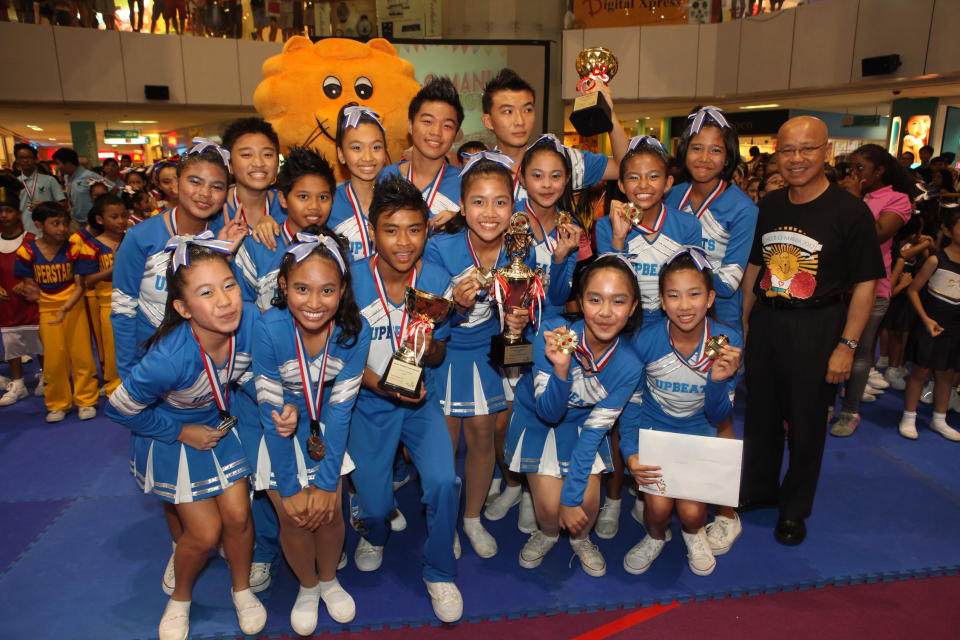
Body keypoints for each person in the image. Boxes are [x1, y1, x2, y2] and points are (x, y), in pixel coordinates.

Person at [106, 239, 267, 640]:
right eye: (206, 292)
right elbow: (117, 409)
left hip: (217, 428)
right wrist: (180, 431)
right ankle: (180, 598)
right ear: (182, 308)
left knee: (239, 516)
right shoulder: (167, 359)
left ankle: (242, 588)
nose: (225, 301)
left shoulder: (248, 322)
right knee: (205, 534)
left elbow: (245, 372)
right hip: (172, 437)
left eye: (230, 285)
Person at [740, 116, 885, 546]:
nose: (797, 158)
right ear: (777, 154)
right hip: (768, 319)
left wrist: (847, 345)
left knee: (806, 425)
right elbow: (755, 265)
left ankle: (795, 508)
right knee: (761, 416)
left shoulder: (850, 211)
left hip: (820, 325)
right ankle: (759, 490)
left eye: (807, 149)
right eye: (788, 150)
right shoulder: (770, 205)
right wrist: (745, 319)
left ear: (826, 152)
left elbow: (865, 284)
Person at [347, 175, 462, 622]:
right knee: (374, 507)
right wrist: (383, 385)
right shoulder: (351, 280)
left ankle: (439, 570)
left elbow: (438, 353)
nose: (403, 241)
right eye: (391, 229)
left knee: (442, 481)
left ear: (426, 230)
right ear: (373, 231)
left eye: (414, 229)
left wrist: (431, 347)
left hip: (420, 402)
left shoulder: (435, 278)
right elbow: (339, 358)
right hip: (368, 402)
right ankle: (374, 534)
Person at [253, 229, 369, 633]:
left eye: (327, 291)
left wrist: (322, 483)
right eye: (302, 288)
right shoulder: (268, 328)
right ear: (284, 286)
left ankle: (329, 579)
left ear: (342, 290)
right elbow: (271, 414)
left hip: (326, 433)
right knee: (293, 518)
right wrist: (289, 486)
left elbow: (340, 411)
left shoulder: (356, 332)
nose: (314, 303)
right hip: (278, 435)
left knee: (331, 513)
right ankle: (306, 586)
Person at [420, 153, 532, 559]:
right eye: (479, 202)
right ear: (462, 207)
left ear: (513, 205)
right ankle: (444, 521)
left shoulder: (521, 251)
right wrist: (456, 305)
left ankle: (471, 517)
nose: (490, 213)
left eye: (500, 202)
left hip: (488, 356)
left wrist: (518, 322)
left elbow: (524, 310)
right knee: (444, 445)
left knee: (484, 437)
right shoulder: (439, 249)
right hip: (446, 355)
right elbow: (426, 323)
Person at [504, 254, 644, 577]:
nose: (606, 312)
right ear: (580, 301)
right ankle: (548, 532)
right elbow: (548, 413)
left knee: (586, 506)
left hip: (583, 426)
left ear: (633, 306)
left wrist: (572, 499)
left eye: (618, 301)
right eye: (595, 299)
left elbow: (596, 432)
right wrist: (562, 370)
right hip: (541, 421)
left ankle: (581, 539)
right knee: (550, 512)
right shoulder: (553, 334)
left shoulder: (629, 365)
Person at [663, 105, 757, 553]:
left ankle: (726, 512)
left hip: (717, 322)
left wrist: (680, 274)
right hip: (672, 318)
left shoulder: (741, 205)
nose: (704, 157)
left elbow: (732, 277)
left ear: (728, 155)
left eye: (715, 150)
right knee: (669, 406)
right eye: (696, 147)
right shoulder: (672, 194)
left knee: (718, 414)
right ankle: (672, 492)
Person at [620, 248, 742, 576]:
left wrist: (717, 382)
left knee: (691, 514)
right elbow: (631, 406)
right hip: (656, 432)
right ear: (660, 300)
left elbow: (718, 417)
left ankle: (694, 534)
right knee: (657, 511)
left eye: (694, 294)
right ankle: (655, 536)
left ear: (711, 297)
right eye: (673, 295)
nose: (684, 306)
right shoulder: (645, 340)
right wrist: (631, 453)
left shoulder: (727, 340)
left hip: (699, 432)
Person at [485, 134, 583, 533]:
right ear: (521, 176)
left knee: (539, 413)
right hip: (509, 329)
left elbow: (561, 295)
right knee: (503, 418)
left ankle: (529, 490)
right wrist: (511, 315)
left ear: (566, 180)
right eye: (537, 174)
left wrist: (561, 259)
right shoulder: (508, 217)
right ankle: (513, 482)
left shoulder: (571, 227)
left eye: (556, 176)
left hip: (550, 335)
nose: (546, 183)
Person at [831, 144, 916, 436]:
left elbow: (877, 233)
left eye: (860, 169)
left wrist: (854, 199)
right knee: (828, 349)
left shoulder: (898, 199)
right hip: (836, 286)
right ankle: (826, 403)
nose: (853, 174)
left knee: (857, 351)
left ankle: (850, 411)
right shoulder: (843, 193)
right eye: (850, 168)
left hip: (872, 290)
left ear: (879, 171)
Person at [595, 136, 703, 322]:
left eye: (653, 176)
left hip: (672, 322)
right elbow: (609, 287)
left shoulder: (688, 225)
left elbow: (692, 285)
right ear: (621, 184)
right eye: (633, 177)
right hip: (623, 323)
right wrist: (619, 238)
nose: (643, 185)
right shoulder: (606, 226)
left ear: (668, 183)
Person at [480, 67, 627, 202]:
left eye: (527, 110)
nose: (520, 121)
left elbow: (623, 168)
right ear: (488, 121)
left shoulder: (563, 159)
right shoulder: (478, 174)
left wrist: (608, 112)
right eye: (508, 112)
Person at [14, 202, 98, 422]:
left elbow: (81, 284)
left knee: (82, 355)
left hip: (73, 306)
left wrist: (65, 307)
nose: (62, 228)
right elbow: (26, 281)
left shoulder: (74, 248)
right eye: (55, 223)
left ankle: (86, 399)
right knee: (53, 359)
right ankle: (57, 402)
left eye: (64, 223)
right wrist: (29, 290)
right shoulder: (27, 250)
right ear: (39, 225)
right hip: (47, 309)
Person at [898, 208, 960, 442]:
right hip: (930, 324)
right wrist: (926, 319)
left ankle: (939, 419)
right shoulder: (936, 259)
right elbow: (913, 290)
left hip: (955, 328)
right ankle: (909, 415)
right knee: (920, 372)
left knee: (947, 374)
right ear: (947, 230)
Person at [380, 77, 463, 229]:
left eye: (447, 125)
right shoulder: (384, 179)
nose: (436, 132)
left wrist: (462, 222)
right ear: (410, 126)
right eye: (427, 121)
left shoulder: (467, 184)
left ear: (455, 134)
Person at [76, 194, 128, 397]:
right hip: (107, 302)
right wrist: (114, 268)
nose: (120, 221)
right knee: (111, 346)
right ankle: (114, 387)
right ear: (100, 220)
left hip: (137, 299)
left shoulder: (132, 239)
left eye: (123, 215)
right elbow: (87, 281)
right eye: (114, 217)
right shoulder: (91, 246)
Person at [0, 176, 43, 405]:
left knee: (38, 340)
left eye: (8, 210)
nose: (3, 215)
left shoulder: (32, 240)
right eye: (0, 211)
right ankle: (17, 382)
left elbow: (43, 269)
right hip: (7, 305)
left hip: (31, 303)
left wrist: (30, 282)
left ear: (18, 213)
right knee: (11, 343)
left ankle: (46, 375)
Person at [330, 104, 386, 262]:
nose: (368, 157)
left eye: (376, 147)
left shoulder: (398, 200)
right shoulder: (328, 203)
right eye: (356, 148)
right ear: (341, 154)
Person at [15, 143, 66, 236]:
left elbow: (63, 204)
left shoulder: (49, 180)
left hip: (48, 231)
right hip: (23, 230)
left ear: (36, 159)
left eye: (29, 157)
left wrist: (45, 206)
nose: (25, 160)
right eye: (21, 158)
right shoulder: (14, 183)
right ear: (17, 161)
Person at [52, 148, 98, 227]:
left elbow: (113, 189)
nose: (57, 167)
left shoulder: (89, 176)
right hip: (76, 221)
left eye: (58, 163)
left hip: (91, 223)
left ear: (68, 163)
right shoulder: (67, 177)